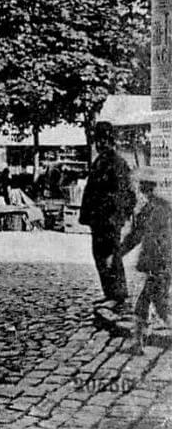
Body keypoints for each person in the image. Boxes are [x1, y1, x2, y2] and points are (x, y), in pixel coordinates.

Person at [81, 125, 137, 313]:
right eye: (98, 140)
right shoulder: (100, 161)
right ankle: (110, 293)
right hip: (99, 220)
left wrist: (116, 217)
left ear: (110, 140)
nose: (99, 143)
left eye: (103, 139)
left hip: (109, 220)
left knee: (111, 257)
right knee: (100, 256)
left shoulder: (117, 162)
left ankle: (118, 295)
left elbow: (126, 195)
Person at [121, 168, 171, 347]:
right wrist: (120, 253)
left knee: (157, 305)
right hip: (159, 264)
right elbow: (136, 235)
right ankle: (137, 343)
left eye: (143, 186)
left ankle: (137, 343)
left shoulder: (159, 209)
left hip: (161, 264)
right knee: (154, 304)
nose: (141, 190)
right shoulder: (155, 207)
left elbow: (143, 236)